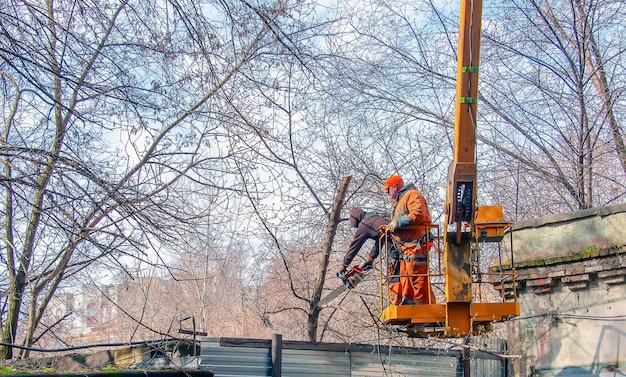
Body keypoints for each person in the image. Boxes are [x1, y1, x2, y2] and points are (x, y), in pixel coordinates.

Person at [381, 174, 435, 305]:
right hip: (406, 248)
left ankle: (423, 309)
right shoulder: (400, 200)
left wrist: (398, 223)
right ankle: (410, 307)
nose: (388, 193)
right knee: (406, 280)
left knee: (417, 279)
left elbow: (418, 215)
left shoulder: (412, 195)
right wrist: (389, 228)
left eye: (388, 190)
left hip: (416, 245)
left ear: (395, 187)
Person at [338, 208, 390, 281]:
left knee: (393, 271)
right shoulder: (375, 218)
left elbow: (354, 246)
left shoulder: (364, 225)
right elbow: (380, 240)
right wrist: (370, 259)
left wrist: (344, 265)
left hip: (394, 240)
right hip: (401, 237)